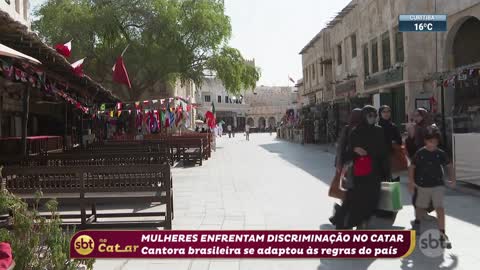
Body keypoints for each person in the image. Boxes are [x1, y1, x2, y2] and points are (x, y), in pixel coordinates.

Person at [335, 105, 390, 229]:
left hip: (375, 171)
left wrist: (387, 172)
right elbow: (347, 153)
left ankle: (363, 221)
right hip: (360, 171)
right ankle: (358, 223)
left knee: (372, 200)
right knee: (358, 199)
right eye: (370, 115)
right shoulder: (355, 132)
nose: (373, 118)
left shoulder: (379, 130)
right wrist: (355, 150)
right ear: (364, 116)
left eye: (375, 116)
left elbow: (383, 152)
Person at [408, 125, 455, 248]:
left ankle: (442, 234)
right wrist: (411, 182)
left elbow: (449, 165)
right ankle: (417, 222)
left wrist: (452, 179)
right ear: (425, 141)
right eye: (430, 142)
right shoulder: (420, 153)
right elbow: (412, 167)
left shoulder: (440, 153)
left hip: (437, 185)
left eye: (435, 142)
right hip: (422, 185)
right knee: (420, 207)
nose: (432, 144)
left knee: (440, 208)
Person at [328, 108, 362, 225]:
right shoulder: (348, 129)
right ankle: (340, 217)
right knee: (350, 192)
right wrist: (340, 164)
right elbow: (341, 147)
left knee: (350, 193)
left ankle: (340, 216)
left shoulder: (361, 129)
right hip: (348, 165)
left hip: (352, 164)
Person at [378, 105, 403, 177]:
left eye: (388, 111)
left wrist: (394, 142)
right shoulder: (377, 127)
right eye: (384, 112)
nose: (386, 113)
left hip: (393, 155)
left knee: (394, 179)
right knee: (383, 179)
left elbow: (399, 141)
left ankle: (394, 189)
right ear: (380, 113)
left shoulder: (393, 126)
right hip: (381, 157)